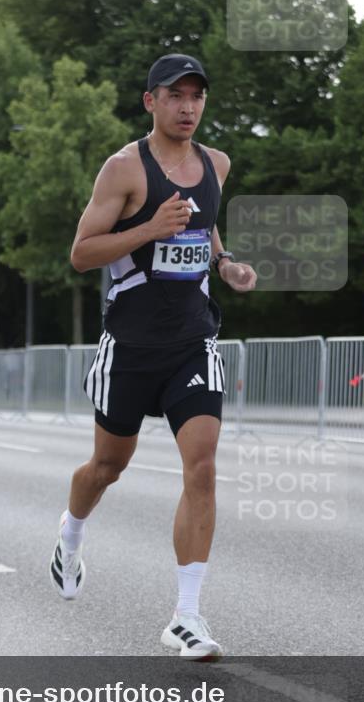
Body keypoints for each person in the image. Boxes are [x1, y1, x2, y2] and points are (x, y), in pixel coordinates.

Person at [50, 53, 257, 659]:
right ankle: (71, 532)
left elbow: (206, 227)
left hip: (193, 341)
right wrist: (149, 229)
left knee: (203, 467)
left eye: (196, 96)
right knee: (107, 467)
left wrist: (225, 263)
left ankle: (186, 616)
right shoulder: (123, 170)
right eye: (175, 95)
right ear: (151, 102)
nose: (188, 106)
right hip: (131, 348)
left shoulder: (217, 164)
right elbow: (82, 254)